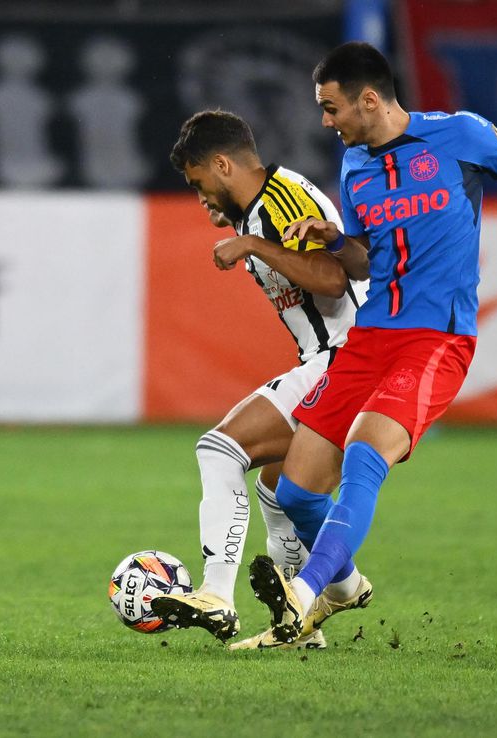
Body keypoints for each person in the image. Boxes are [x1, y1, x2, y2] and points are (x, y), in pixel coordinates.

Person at [246, 42, 497, 644]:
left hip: (435, 340)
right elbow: (360, 262)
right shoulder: (354, 167)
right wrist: (332, 238)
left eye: (331, 108)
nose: (325, 122)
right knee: (297, 490)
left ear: (370, 99)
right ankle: (346, 587)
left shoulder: (459, 135)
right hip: (369, 338)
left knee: (364, 453)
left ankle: (299, 600)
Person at [150, 109, 373, 650]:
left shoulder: (281, 201)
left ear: (223, 164)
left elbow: (335, 275)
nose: (201, 198)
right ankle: (320, 607)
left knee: (220, 449)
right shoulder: (255, 212)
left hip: (349, 355)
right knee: (278, 493)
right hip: (332, 359)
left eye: (200, 183)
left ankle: (215, 594)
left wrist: (254, 246)